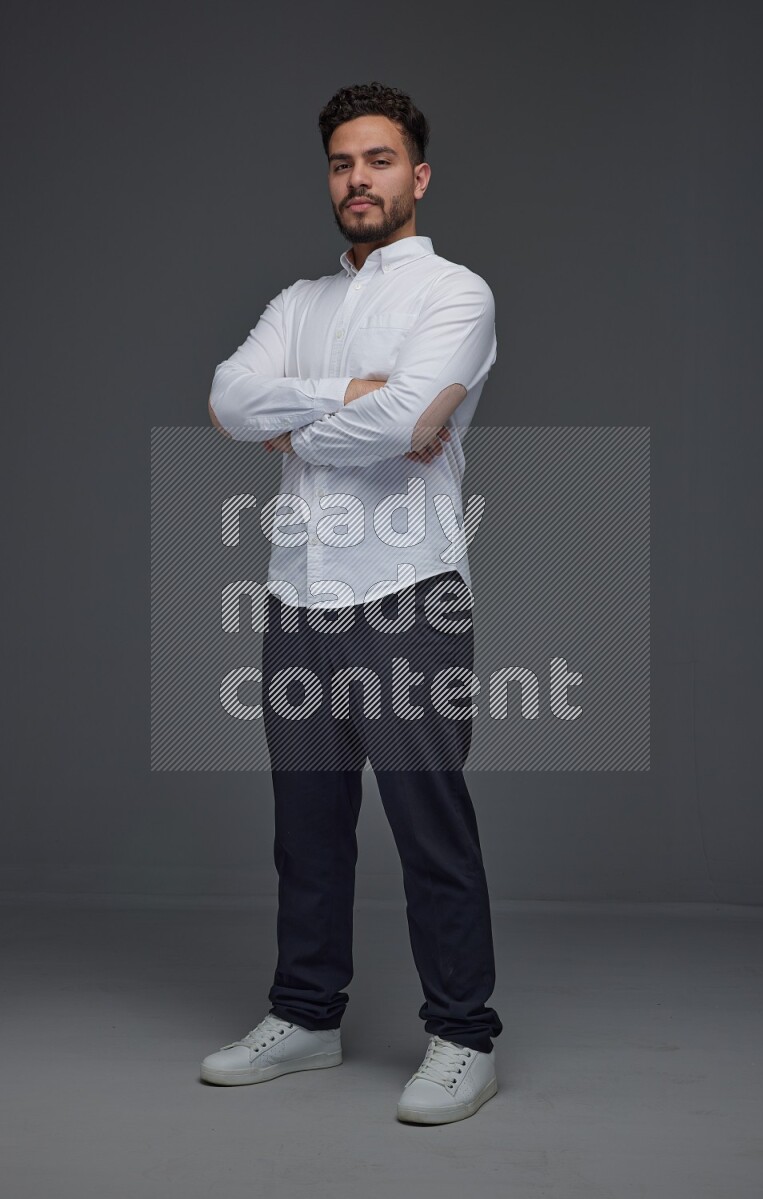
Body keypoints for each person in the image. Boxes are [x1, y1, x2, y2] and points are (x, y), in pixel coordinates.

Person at [202, 81, 503, 1125]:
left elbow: (413, 422)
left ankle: (462, 1032)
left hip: (406, 596)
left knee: (430, 826)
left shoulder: (455, 294)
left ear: (415, 176)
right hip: (297, 597)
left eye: (377, 160)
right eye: (341, 162)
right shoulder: (298, 304)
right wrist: (352, 400)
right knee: (308, 830)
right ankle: (305, 1015)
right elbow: (228, 401)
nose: (357, 179)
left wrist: (319, 419)